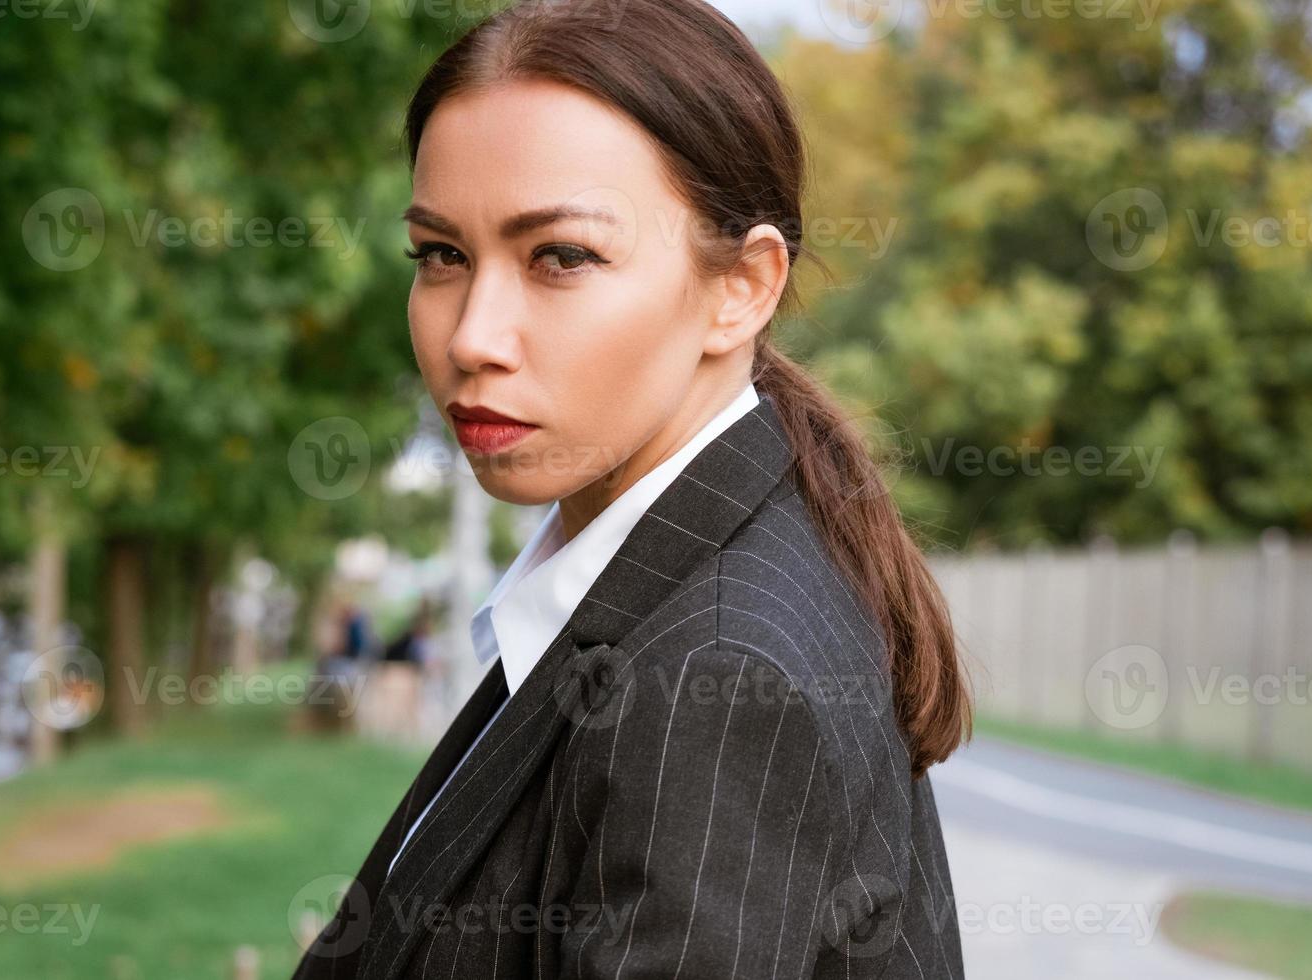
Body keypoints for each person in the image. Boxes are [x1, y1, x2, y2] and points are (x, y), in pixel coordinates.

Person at [292, 2, 971, 977]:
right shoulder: (638, 581)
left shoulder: (720, 675)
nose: (473, 335)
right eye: (441, 254)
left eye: (560, 256)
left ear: (740, 285)